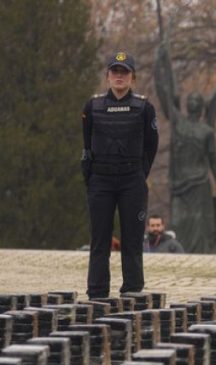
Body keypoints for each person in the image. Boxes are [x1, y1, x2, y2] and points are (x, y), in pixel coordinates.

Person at [81, 51, 159, 300]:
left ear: (132, 78)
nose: (119, 76)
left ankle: (133, 290)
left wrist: (139, 173)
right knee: (100, 240)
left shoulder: (144, 108)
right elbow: (87, 143)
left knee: (132, 241)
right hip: (101, 181)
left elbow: (151, 145)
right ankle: (97, 292)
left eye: (124, 72)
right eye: (115, 71)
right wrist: (93, 177)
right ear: (107, 76)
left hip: (131, 182)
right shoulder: (92, 107)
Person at [154, 30, 216, 253]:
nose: (192, 102)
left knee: (201, 224)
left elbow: (213, 160)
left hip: (199, 184)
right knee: (180, 222)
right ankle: (180, 253)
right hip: (180, 183)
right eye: (191, 99)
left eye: (195, 100)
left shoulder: (206, 130)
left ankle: (202, 256)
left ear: (200, 106)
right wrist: (158, 64)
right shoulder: (179, 123)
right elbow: (164, 92)